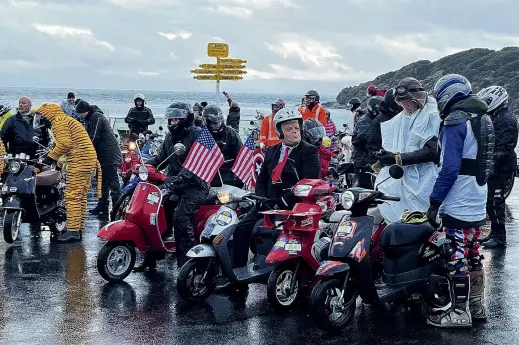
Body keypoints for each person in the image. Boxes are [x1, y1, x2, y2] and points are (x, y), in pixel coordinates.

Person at [427, 74, 494, 328]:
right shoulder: (484, 117)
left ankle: (458, 312)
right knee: (474, 253)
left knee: (456, 255)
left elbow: (449, 169)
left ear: (446, 94)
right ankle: (477, 307)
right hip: (479, 195)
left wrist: (435, 201)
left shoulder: (455, 122)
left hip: (459, 199)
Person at [229, 108, 320, 285]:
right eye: (289, 128)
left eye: (296, 127)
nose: (294, 132)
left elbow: (307, 182)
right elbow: (262, 179)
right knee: (240, 229)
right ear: (279, 132)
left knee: (274, 234)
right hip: (268, 203)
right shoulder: (271, 150)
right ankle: (237, 275)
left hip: (293, 206)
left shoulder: (309, 152)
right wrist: (262, 199)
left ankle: (279, 273)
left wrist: (283, 201)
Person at [136, 102, 208, 270]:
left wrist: (178, 178)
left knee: (181, 217)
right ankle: (153, 254)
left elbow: (197, 165)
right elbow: (160, 158)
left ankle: (187, 262)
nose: (173, 121)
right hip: (175, 183)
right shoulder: (169, 137)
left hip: (195, 186)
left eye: (177, 118)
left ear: (186, 118)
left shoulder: (198, 135)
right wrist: (145, 166)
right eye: (171, 118)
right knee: (153, 211)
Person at [373, 77, 440, 223]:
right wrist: (385, 157)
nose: (405, 105)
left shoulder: (431, 115)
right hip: (403, 174)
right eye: (402, 102)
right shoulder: (402, 118)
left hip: (426, 175)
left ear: (417, 98)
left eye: (408, 101)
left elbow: (431, 152)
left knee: (424, 218)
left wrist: (397, 158)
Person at [37, 104, 98, 243]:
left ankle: (72, 231)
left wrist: (50, 158)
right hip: (88, 159)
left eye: (42, 116)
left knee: (72, 196)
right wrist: (59, 165)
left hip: (79, 160)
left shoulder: (58, 122)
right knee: (81, 196)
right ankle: (78, 227)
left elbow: (65, 144)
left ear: (48, 114)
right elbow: (69, 145)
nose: (41, 120)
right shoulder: (66, 120)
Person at [476, 86, 518, 248]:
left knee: (496, 202)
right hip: (498, 166)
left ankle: (500, 237)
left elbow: (505, 147)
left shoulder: (506, 119)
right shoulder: (497, 116)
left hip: (503, 168)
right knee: (491, 202)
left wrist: (489, 163)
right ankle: (495, 233)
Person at [75, 100, 122, 219]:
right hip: (102, 154)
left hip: (109, 154)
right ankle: (103, 205)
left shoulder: (96, 117)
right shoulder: (93, 116)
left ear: (84, 112)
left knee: (112, 181)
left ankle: (117, 207)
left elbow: (93, 137)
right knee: (102, 181)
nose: (79, 116)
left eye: (79, 114)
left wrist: (80, 148)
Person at [202, 105, 243, 187]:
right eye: (214, 123)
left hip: (228, 172)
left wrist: (237, 173)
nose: (217, 125)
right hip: (207, 173)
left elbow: (241, 155)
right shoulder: (201, 134)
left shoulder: (231, 133)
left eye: (219, 122)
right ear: (206, 121)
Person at [352, 96, 383, 188]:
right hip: (363, 160)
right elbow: (364, 138)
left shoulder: (375, 119)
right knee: (364, 186)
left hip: (371, 158)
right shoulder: (364, 121)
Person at [367, 88, 404, 157]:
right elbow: (372, 145)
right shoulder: (380, 121)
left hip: (404, 155)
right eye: (399, 101)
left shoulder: (405, 115)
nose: (402, 104)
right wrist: (381, 157)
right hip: (391, 158)